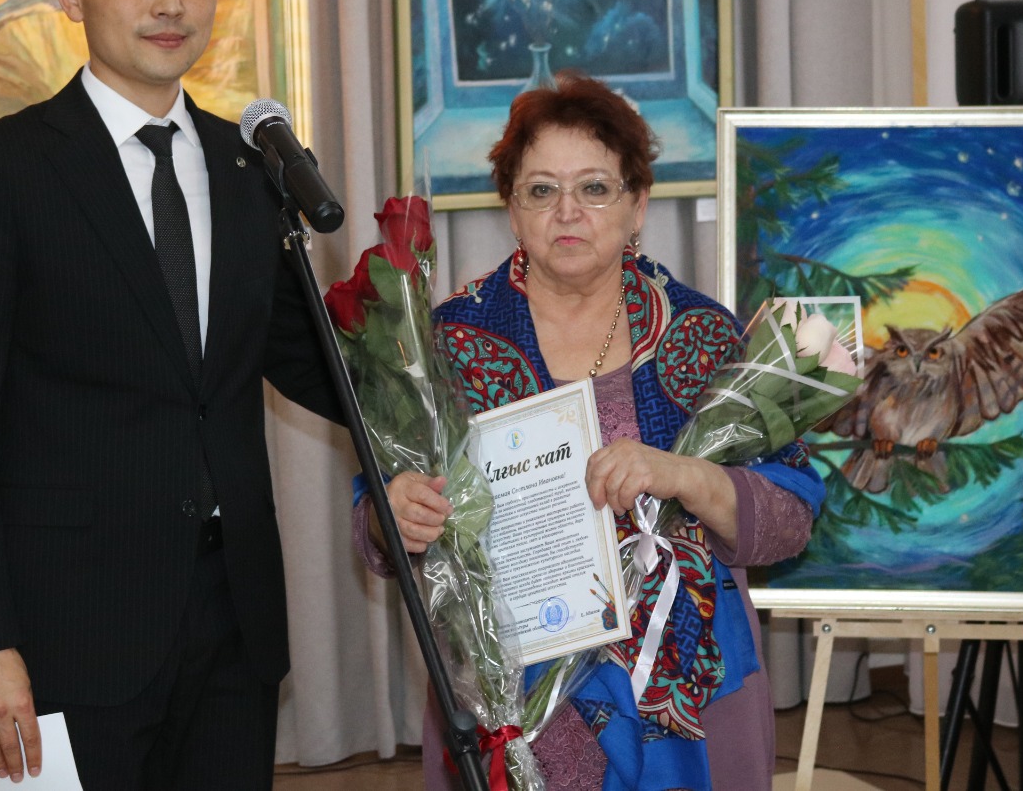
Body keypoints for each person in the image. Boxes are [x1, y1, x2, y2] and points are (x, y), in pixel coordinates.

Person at [0, 0, 339, 790]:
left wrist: (449, 397)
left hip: (234, 618)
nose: (169, 2)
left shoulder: (248, 166)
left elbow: (306, 360)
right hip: (69, 628)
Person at [352, 73, 825, 790]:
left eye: (595, 189)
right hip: (507, 698)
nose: (567, 211)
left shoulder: (703, 334)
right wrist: (396, 515)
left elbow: (789, 520)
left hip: (691, 696)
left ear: (638, 205)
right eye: (541, 190)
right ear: (512, 209)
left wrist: (685, 475)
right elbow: (375, 522)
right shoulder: (445, 344)